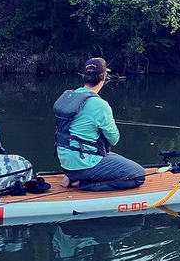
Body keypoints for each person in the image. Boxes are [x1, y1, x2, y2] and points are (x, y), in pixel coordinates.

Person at [54, 57, 146, 191]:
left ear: (84, 77)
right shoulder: (100, 105)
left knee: (112, 156)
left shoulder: (70, 97)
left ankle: (73, 175)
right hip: (82, 162)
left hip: (65, 160)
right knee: (138, 175)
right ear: (104, 77)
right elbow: (114, 139)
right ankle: (82, 183)